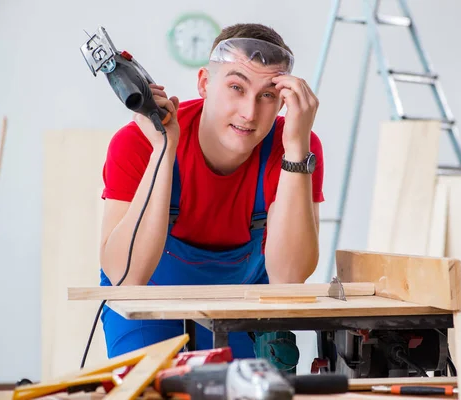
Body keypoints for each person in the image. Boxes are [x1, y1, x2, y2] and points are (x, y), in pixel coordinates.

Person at [98, 22, 325, 366]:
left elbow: (289, 280)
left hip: (243, 298)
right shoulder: (136, 143)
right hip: (148, 297)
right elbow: (126, 276)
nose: (250, 112)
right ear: (205, 83)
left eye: (267, 95)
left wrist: (296, 150)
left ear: (283, 102)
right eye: (236, 86)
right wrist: (164, 150)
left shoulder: (295, 148)